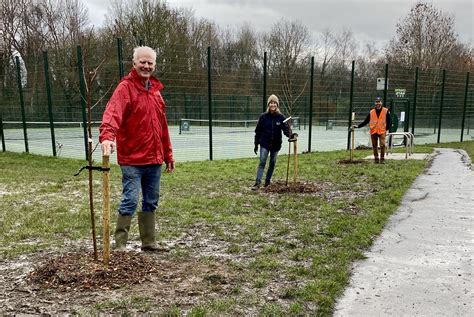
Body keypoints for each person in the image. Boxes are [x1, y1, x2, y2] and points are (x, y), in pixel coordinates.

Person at [99, 46, 175, 251]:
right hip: (132, 159)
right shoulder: (125, 89)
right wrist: (107, 136)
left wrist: (168, 154)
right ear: (134, 64)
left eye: (150, 63)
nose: (146, 66)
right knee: (130, 200)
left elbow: (162, 126)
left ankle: (149, 242)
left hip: (154, 160)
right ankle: (120, 245)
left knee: (151, 201)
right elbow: (112, 113)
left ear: (155, 65)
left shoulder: (156, 93)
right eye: (142, 62)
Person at [253, 94, 292, 188]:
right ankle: (258, 183)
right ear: (268, 105)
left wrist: (290, 135)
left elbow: (286, 129)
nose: (273, 105)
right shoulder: (263, 117)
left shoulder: (281, 117)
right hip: (264, 144)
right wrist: (256, 144)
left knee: (272, 163)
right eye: (271, 103)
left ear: (277, 105)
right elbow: (258, 131)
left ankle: (267, 182)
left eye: (274, 103)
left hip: (276, 145)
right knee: (262, 162)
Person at [353, 97, 391, 164]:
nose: (378, 103)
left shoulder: (386, 111)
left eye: (379, 102)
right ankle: (376, 159)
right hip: (373, 131)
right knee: (374, 146)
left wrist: (386, 129)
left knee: (382, 145)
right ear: (375, 103)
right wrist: (358, 126)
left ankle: (382, 159)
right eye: (376, 102)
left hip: (382, 131)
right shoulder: (371, 112)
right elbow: (366, 121)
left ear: (381, 103)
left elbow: (389, 121)